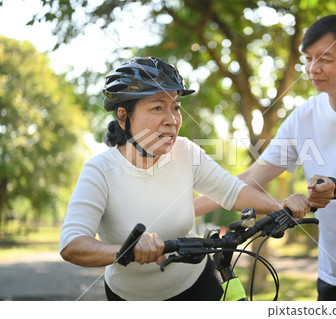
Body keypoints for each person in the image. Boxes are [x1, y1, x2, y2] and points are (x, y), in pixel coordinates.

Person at [195, 15, 336, 301]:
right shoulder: (302, 117)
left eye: (325, 59)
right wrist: (186, 210)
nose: (313, 69)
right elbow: (249, 180)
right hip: (333, 271)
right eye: (308, 58)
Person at [59, 57, 310, 301]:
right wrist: (128, 250)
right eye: (158, 107)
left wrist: (282, 205)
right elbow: (72, 245)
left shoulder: (186, 151)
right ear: (124, 116)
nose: (172, 119)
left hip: (197, 285)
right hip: (130, 298)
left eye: (176, 107)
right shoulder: (100, 171)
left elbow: (233, 192)